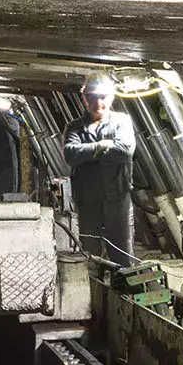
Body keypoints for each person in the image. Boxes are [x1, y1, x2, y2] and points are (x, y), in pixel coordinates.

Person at [62, 75, 136, 264]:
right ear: (84, 99)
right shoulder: (74, 127)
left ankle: (121, 283)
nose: (98, 103)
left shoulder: (122, 122)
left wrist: (87, 154)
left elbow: (124, 152)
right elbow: (70, 154)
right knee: (90, 255)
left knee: (123, 256)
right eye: (92, 97)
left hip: (117, 198)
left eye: (102, 97)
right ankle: (94, 284)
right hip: (87, 201)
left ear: (111, 97)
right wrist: (101, 146)